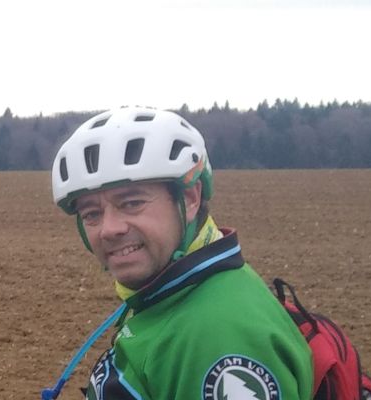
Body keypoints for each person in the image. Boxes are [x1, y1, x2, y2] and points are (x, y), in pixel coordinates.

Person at [48, 107, 312, 400]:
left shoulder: (218, 336)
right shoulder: (171, 295)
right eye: (91, 214)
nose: (108, 229)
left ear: (189, 199)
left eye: (132, 203)